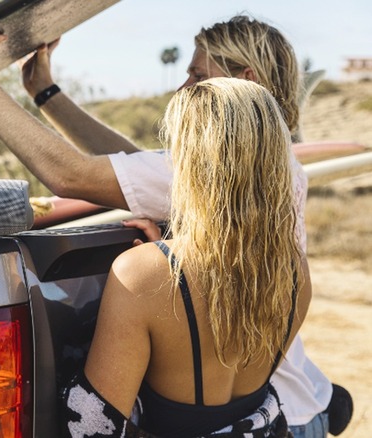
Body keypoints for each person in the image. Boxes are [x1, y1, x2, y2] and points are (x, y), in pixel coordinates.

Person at [0, 1, 340, 435]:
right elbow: (141, 169)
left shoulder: (148, 273)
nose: (184, 88)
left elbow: (72, 174)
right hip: (283, 413)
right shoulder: (286, 226)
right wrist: (47, 94)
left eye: (198, 78)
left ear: (244, 79)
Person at [64, 76, 310, 437]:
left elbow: (93, 429)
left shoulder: (143, 274)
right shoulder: (293, 270)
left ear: (192, 162)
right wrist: (169, 248)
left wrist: (159, 260)